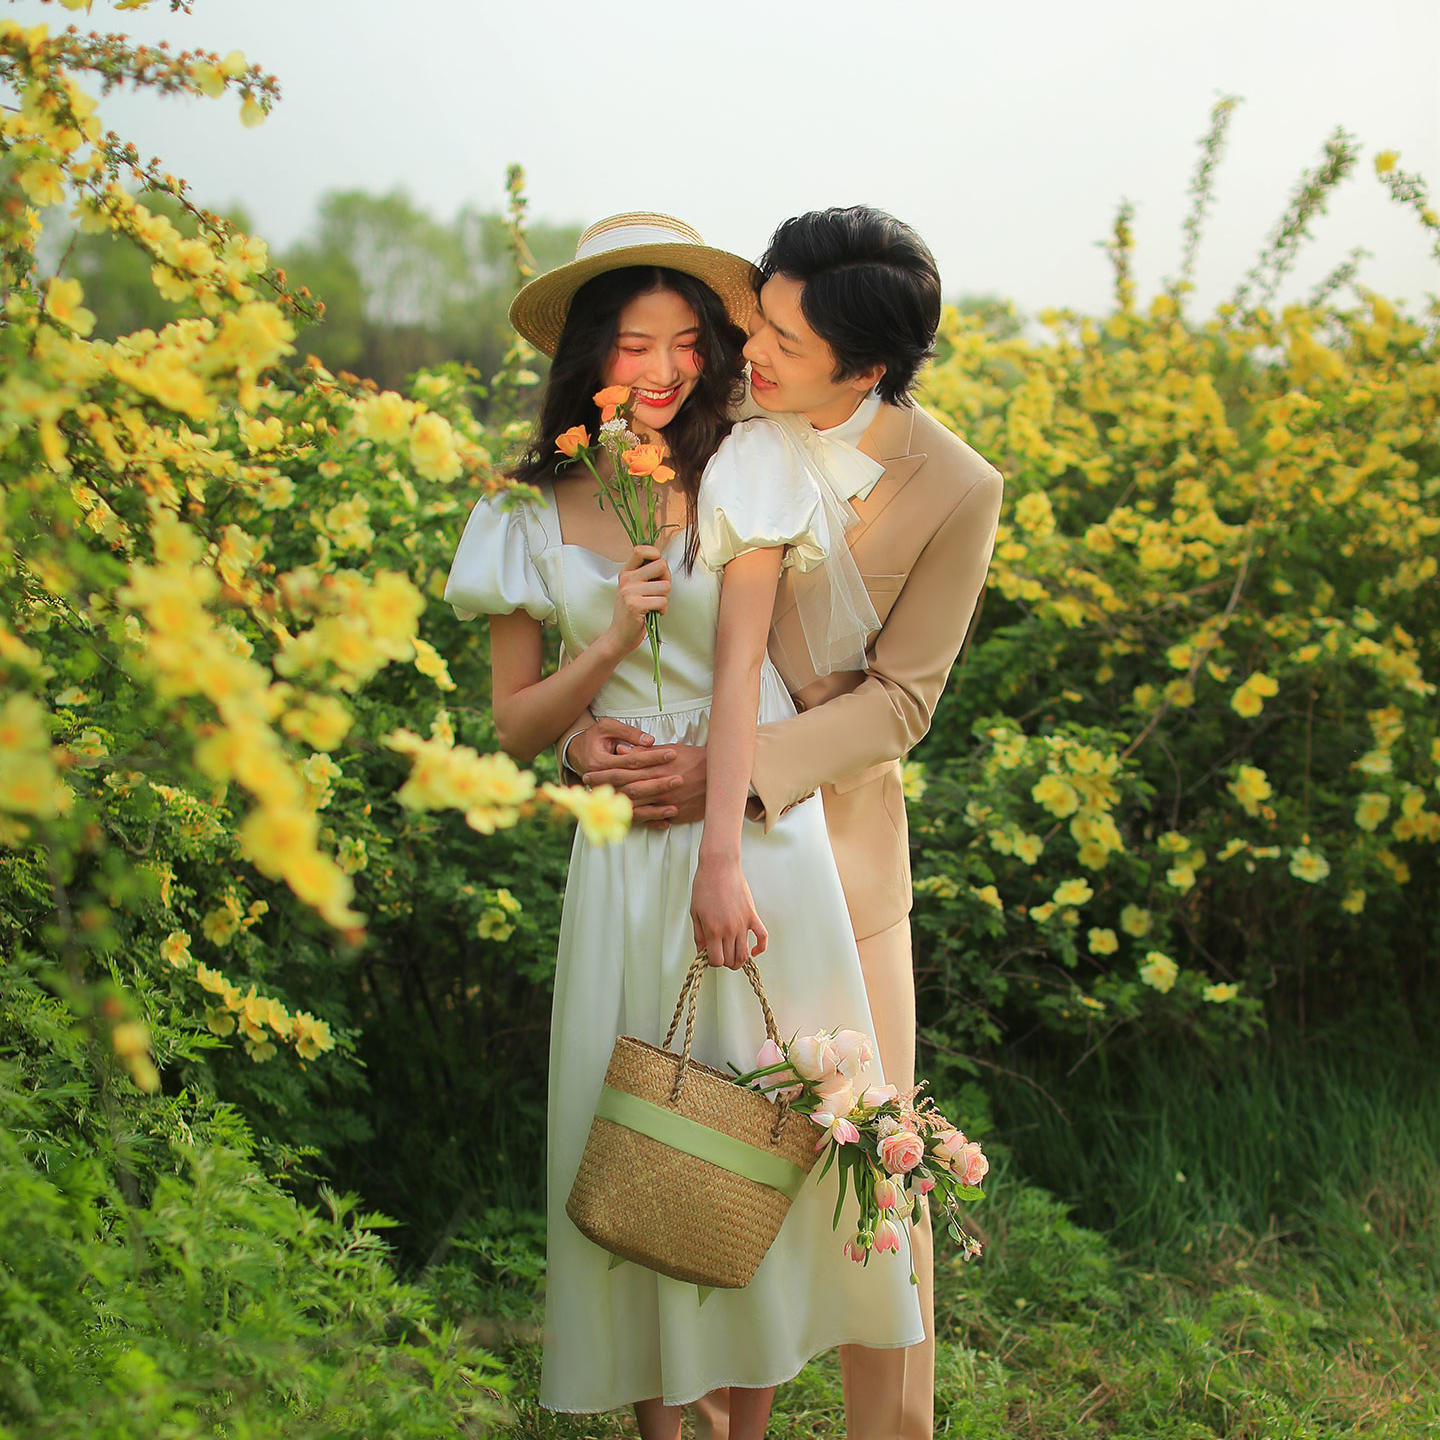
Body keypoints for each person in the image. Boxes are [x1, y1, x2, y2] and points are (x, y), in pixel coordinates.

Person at [443, 212, 923, 1440]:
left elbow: (742, 674)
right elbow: (516, 725)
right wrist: (599, 668)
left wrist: (721, 863)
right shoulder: (524, 509)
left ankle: (744, 1426)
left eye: (685, 343)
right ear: (588, 356)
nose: (661, 370)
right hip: (619, 855)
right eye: (632, 344)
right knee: (642, 1135)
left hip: (751, 836)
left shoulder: (747, 468)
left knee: (760, 1123)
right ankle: (664, 1427)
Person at [562, 206, 1005, 1440]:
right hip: (671, 849)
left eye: (785, 341)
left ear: (867, 368)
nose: (750, 349)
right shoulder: (708, 416)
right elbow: (596, 598)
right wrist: (579, 734)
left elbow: (903, 701)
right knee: (693, 1138)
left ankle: (888, 1430)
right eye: (756, 317)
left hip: (841, 858)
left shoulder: (957, 486)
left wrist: (737, 771)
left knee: (873, 1170)